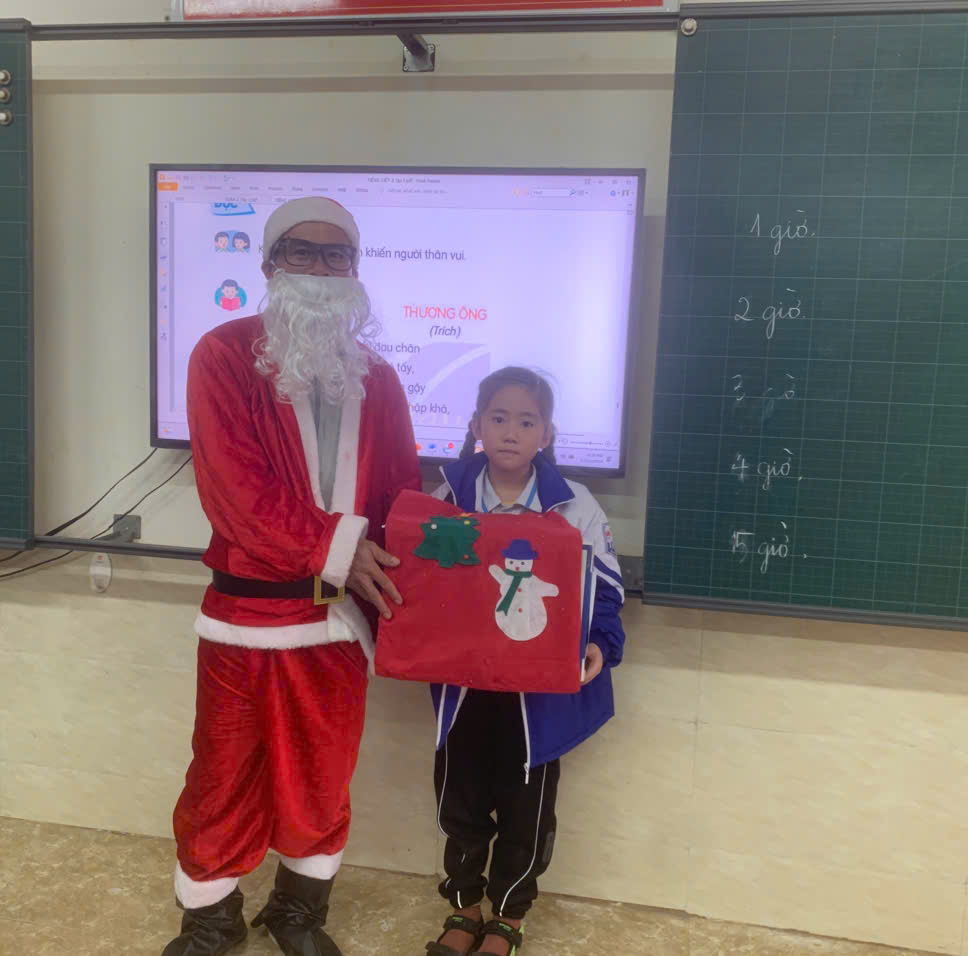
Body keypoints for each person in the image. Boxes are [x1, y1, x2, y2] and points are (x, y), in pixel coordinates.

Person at [165, 197, 421, 956]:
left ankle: (298, 911)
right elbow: (234, 491)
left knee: (321, 776)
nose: (319, 267)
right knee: (224, 774)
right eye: (300, 252)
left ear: (355, 269)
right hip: (244, 620)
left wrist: (432, 557)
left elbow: (399, 492)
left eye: (336, 254)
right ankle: (211, 918)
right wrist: (335, 546)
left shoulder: (381, 378)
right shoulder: (221, 354)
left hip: (337, 624)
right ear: (269, 264)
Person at [422, 367, 626, 956]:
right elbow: (424, 584)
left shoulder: (575, 505)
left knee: (527, 806)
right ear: (477, 425)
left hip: (536, 700)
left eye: (527, 421)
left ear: (547, 434)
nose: (511, 431)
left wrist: (601, 642)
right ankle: (464, 907)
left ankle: (509, 915)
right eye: (499, 417)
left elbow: (604, 591)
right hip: (465, 686)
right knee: (458, 798)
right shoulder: (447, 499)